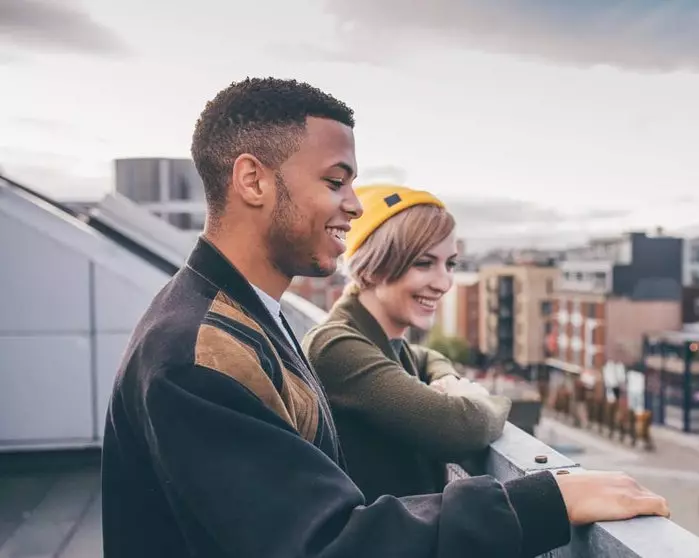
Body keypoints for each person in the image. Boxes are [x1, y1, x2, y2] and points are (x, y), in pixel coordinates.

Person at [100, 76, 670, 558]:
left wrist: (443, 372)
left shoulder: (241, 321)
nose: (353, 202)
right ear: (253, 180)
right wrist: (549, 499)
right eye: (334, 180)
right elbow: (326, 540)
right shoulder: (198, 355)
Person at [303, 184, 511, 502]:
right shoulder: (336, 347)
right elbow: (458, 428)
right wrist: (487, 400)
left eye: (450, 264)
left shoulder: (379, 340)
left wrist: (446, 379)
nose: (444, 283)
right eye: (423, 263)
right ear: (373, 267)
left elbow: (425, 356)